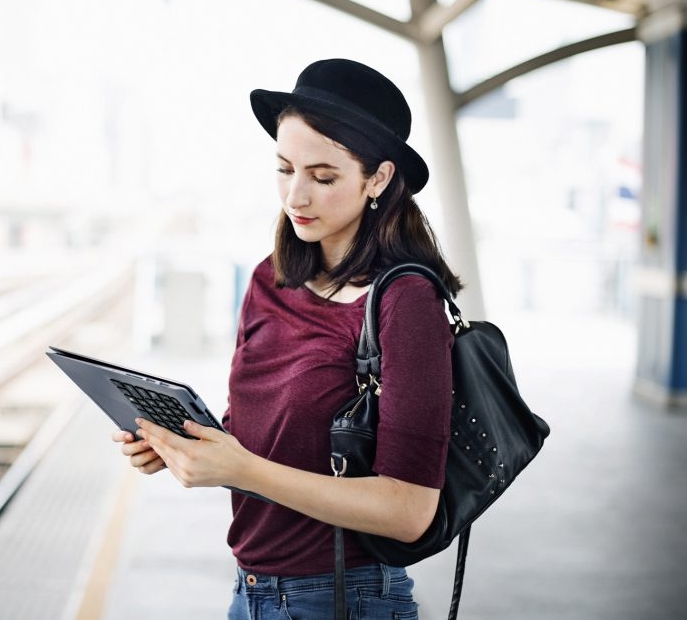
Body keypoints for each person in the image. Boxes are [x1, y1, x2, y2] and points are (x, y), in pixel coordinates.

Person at [112, 58, 460, 619]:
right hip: (251, 595)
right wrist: (185, 445)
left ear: (379, 178)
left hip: (346, 599)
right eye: (284, 169)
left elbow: (410, 508)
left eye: (323, 177)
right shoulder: (268, 280)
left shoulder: (406, 302)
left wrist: (239, 470)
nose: (295, 196)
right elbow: (260, 436)